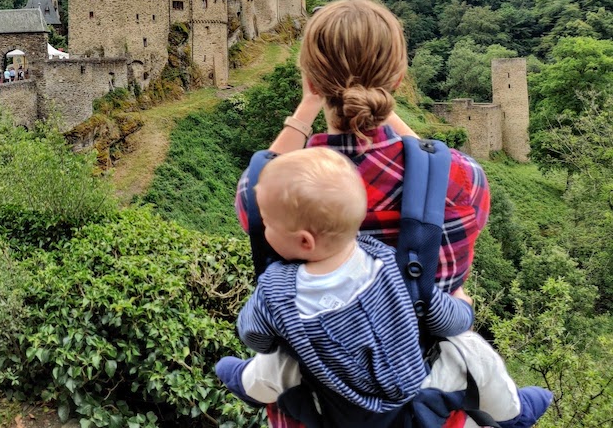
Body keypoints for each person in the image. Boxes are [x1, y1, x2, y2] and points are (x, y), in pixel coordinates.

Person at [231, 0, 548, 428]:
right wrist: (384, 106)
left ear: (309, 77)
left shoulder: (269, 196)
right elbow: (434, 163)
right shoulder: (462, 180)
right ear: (398, 78)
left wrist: (306, 109)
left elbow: (258, 185)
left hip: (317, 411)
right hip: (427, 409)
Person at [216, 149, 551, 428]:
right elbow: (441, 315)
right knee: (471, 351)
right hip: (410, 389)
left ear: (304, 240)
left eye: (268, 225)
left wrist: (281, 330)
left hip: (331, 399)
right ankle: (512, 413)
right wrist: (463, 306)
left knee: (276, 363)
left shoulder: (277, 287)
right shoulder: (388, 262)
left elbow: (255, 337)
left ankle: (242, 381)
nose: (264, 230)